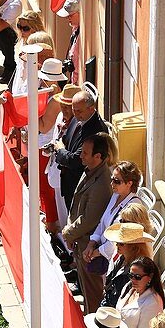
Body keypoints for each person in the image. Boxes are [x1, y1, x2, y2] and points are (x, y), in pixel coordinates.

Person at [61, 132, 114, 313]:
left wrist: (68, 233)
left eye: (85, 153)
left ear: (97, 156)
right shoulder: (90, 171)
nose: (81, 155)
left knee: (93, 294)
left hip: (88, 247)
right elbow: (76, 204)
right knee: (86, 290)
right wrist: (69, 231)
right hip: (80, 240)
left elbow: (89, 219)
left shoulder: (101, 183)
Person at [82, 161, 145, 268]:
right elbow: (102, 223)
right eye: (112, 179)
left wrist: (95, 253)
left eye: (117, 181)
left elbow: (118, 240)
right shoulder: (115, 195)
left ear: (129, 183)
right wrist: (91, 244)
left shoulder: (133, 207)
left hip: (116, 258)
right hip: (102, 248)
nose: (112, 184)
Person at [53, 87, 107, 210]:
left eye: (79, 111)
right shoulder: (78, 119)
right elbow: (65, 139)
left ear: (91, 108)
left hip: (81, 187)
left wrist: (60, 149)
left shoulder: (95, 131)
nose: (76, 114)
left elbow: (74, 160)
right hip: (69, 184)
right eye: (74, 110)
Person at [115, 257, 165, 328]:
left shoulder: (153, 303)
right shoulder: (129, 288)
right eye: (131, 275)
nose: (133, 280)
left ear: (150, 277)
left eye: (137, 277)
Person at [101, 220, 155, 310]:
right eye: (117, 242)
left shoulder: (138, 270)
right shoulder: (122, 258)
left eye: (121, 244)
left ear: (134, 247)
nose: (117, 245)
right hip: (108, 301)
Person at [7, 11, 46, 97]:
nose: (21, 31)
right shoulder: (22, 41)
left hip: (33, 82)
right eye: (19, 26)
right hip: (20, 79)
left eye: (25, 28)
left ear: (35, 28)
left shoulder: (40, 43)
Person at [57, 0, 81, 83]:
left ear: (80, 13)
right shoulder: (75, 29)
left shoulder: (82, 33)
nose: (68, 18)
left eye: (70, 15)